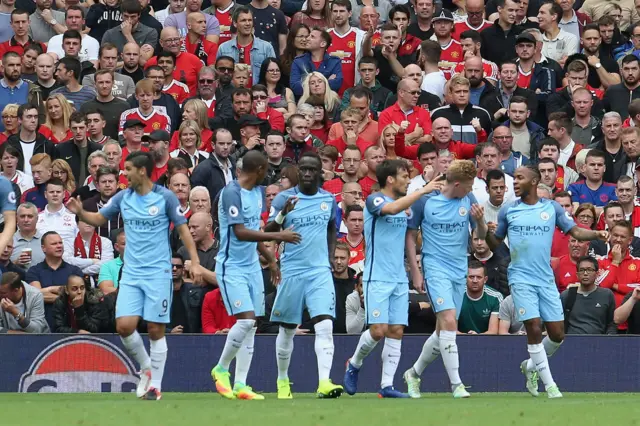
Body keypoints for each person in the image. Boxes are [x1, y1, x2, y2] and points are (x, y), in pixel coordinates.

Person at [66, 151, 205, 400]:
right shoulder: (123, 197)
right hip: (130, 272)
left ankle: (155, 386)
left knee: (155, 329)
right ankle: (146, 368)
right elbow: (99, 218)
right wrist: (80, 212)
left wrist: (193, 262)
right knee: (124, 326)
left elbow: (183, 231)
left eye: (128, 169)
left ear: (142, 171)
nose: (124, 173)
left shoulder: (165, 198)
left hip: (158, 273)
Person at [483, 165, 608, 398]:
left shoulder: (551, 209)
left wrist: (596, 234)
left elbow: (576, 232)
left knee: (557, 334)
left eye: (520, 178)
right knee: (533, 325)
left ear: (534, 181)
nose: (515, 182)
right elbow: (495, 243)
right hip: (520, 276)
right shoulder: (508, 211)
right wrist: (483, 228)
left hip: (545, 278)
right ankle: (550, 386)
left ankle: (530, 366)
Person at [343, 159, 442, 398]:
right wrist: (422, 190)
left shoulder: (405, 206)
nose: (408, 180)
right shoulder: (374, 200)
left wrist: (415, 271)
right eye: (404, 176)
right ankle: (354, 364)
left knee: (396, 330)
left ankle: (386, 386)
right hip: (376, 277)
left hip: (399, 277)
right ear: (390, 179)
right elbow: (390, 210)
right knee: (378, 330)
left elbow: (408, 237)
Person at [210, 151, 299, 401]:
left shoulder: (257, 194)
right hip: (231, 267)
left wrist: (270, 259)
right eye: (266, 170)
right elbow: (239, 232)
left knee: (252, 327)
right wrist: (280, 237)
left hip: (251, 267)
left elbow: (257, 231)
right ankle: (220, 368)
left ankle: (241, 385)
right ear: (258, 169)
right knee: (246, 321)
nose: (268, 175)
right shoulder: (231, 192)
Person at [262, 151, 342, 399]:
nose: (307, 173)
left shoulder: (328, 199)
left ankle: (324, 382)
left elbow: (331, 227)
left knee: (325, 325)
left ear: (320, 173)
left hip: (319, 272)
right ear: (298, 171)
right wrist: (283, 213)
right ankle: (283, 380)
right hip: (292, 271)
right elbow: (268, 231)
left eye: (312, 169)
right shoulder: (285, 198)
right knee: (287, 329)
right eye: (303, 169)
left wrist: (329, 255)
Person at [403, 160, 480, 399]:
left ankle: (413, 373)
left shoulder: (469, 199)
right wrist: (416, 271)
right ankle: (456, 384)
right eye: (467, 186)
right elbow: (410, 234)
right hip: (435, 266)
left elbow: (480, 234)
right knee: (449, 321)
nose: (470, 191)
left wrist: (482, 222)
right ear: (456, 184)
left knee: (442, 331)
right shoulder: (426, 199)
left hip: (460, 268)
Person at [561, 255, 617, 334]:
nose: (585, 273)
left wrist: (610, 339)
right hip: (572, 342)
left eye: (589, 270)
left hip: (599, 342)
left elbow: (611, 323)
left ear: (597, 273)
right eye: (582, 270)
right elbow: (559, 322)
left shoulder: (606, 295)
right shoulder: (567, 295)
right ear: (577, 274)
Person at [326, 0, 366, 97]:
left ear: (350, 13)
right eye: (335, 11)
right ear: (331, 13)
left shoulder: (360, 36)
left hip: (354, 94)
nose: (338, 15)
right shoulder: (325, 36)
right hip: (329, 95)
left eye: (342, 11)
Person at [291, 27, 343, 98]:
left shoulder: (334, 62)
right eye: (309, 36)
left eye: (312, 37)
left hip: (328, 104)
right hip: (305, 104)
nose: (307, 39)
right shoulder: (298, 62)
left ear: (323, 44)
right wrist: (326, 82)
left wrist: (307, 84)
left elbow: (336, 84)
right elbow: (295, 87)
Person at [457, 261, 502, 334]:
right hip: (458, 341)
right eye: (471, 277)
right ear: (465, 278)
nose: (475, 281)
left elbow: (493, 332)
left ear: (485, 279)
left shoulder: (495, 297)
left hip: (487, 342)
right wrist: (467, 337)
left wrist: (476, 337)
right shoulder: (456, 295)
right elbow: (450, 331)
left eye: (479, 277)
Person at [481, 0, 523, 65]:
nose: (514, 14)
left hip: (516, 74)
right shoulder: (486, 34)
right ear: (499, 9)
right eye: (510, 10)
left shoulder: (522, 33)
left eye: (516, 11)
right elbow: (482, 60)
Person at [603, 54, 640, 119]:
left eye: (634, 69)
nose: (630, 73)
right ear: (621, 71)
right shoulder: (611, 91)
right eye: (626, 69)